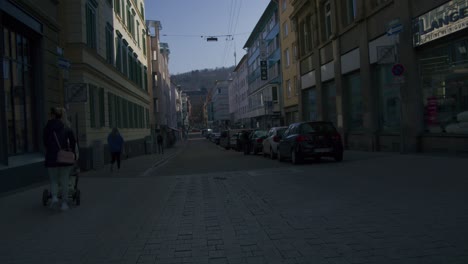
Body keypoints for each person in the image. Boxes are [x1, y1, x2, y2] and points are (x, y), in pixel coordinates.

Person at [43, 107, 76, 211]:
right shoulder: (66, 128)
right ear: (60, 116)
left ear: (52, 115)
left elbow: (45, 143)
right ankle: (64, 204)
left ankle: (54, 197)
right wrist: (72, 153)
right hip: (64, 158)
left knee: (53, 180)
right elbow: (73, 142)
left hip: (51, 158)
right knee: (64, 180)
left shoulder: (47, 128)